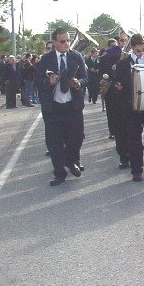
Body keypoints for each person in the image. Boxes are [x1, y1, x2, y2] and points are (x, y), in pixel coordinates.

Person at [36, 27, 88, 187]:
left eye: (68, 41)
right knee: (54, 142)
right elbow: (38, 81)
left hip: (72, 105)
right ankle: (60, 173)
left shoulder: (76, 56)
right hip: (54, 107)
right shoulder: (45, 59)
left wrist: (79, 83)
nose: (66, 44)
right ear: (55, 43)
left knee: (77, 137)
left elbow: (86, 78)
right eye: (62, 41)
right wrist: (48, 82)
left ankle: (71, 160)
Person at [114, 34, 144, 181]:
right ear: (132, 48)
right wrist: (119, 85)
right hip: (131, 107)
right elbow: (117, 82)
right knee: (134, 140)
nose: (140, 52)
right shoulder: (122, 64)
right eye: (138, 50)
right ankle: (136, 169)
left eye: (143, 49)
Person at [98, 38, 123, 140]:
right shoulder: (104, 58)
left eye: (116, 46)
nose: (115, 48)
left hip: (121, 88)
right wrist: (102, 80)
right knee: (111, 111)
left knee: (121, 111)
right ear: (109, 47)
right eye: (112, 46)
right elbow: (101, 73)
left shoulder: (122, 57)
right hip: (109, 87)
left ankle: (121, 130)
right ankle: (112, 131)